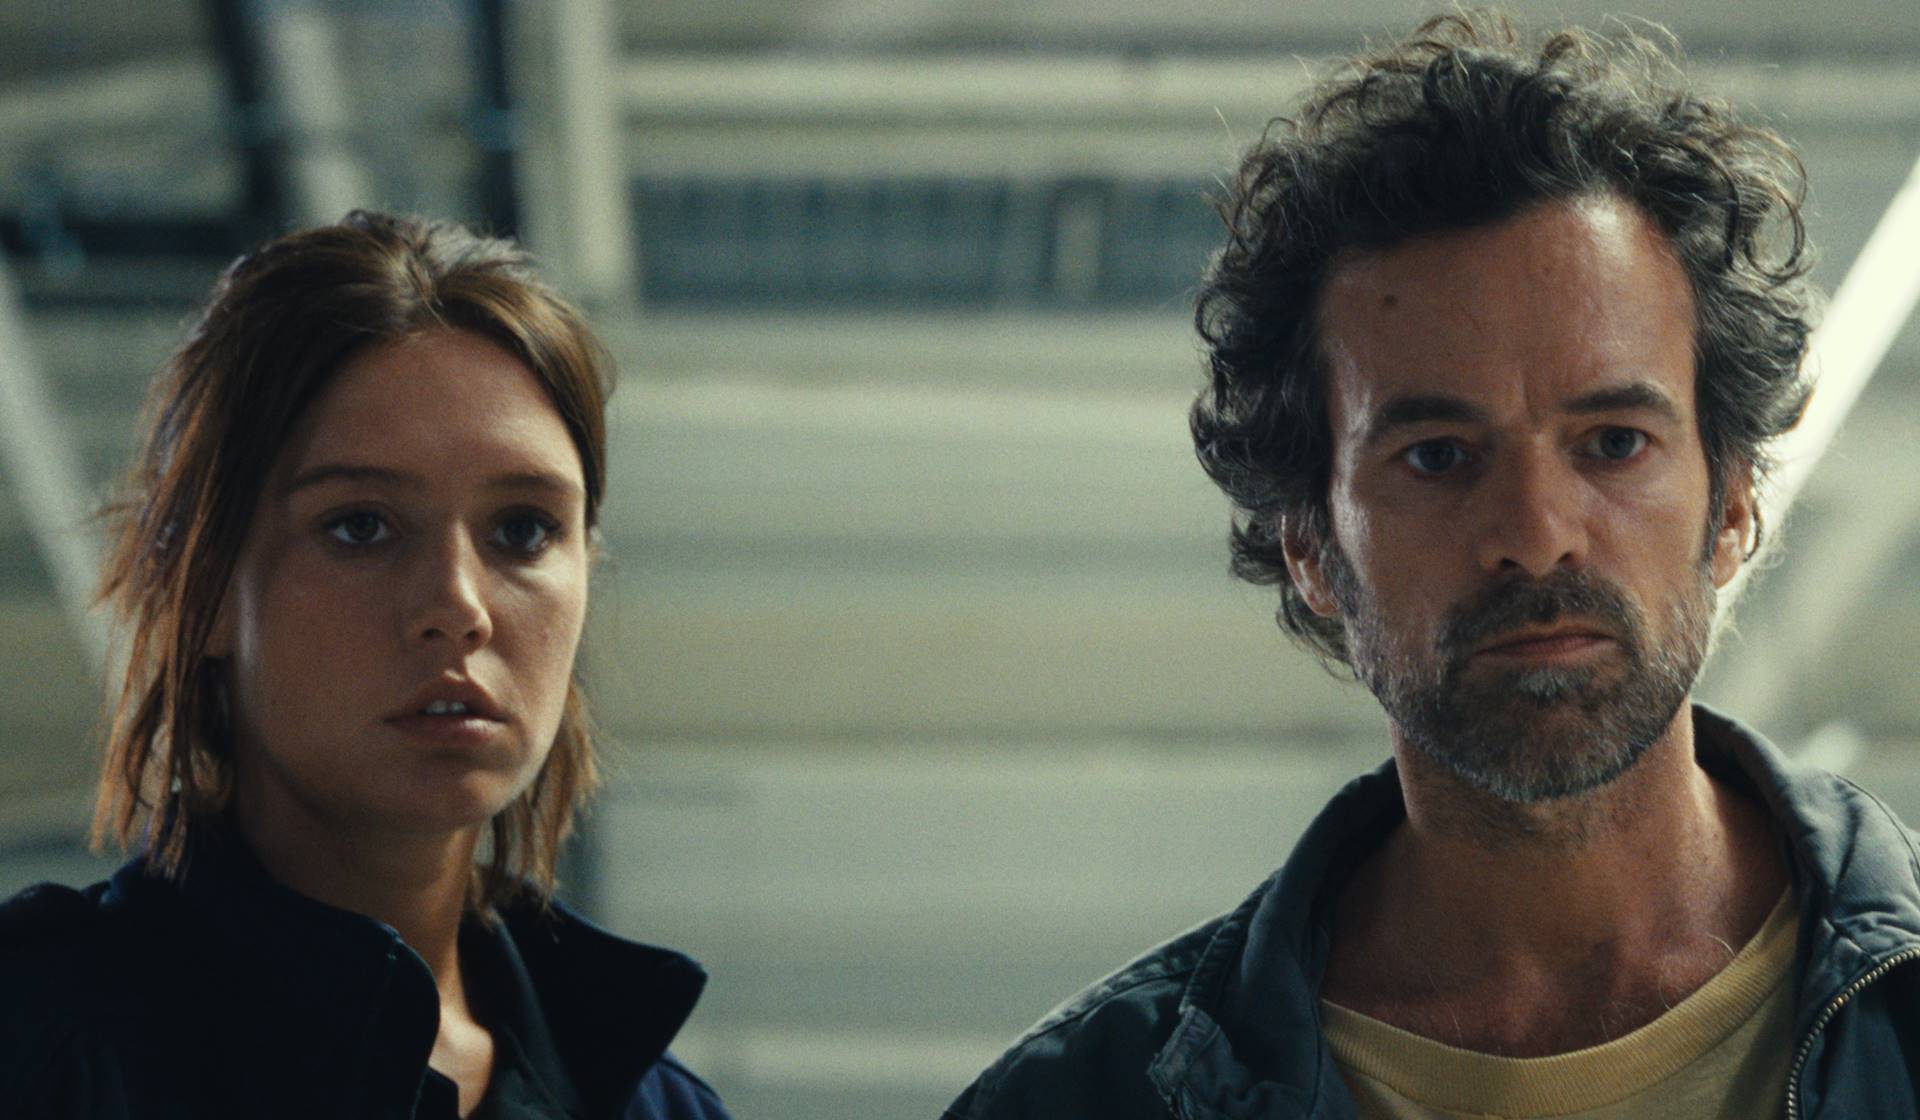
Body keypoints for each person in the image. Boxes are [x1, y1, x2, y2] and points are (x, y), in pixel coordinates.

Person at [947, 11, 1920, 1120]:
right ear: (1309, 543)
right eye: (1439, 456)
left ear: (1734, 498)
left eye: (1614, 442)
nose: (1536, 534)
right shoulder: (1084, 1102)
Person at [0, 212, 729, 1119]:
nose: (458, 607)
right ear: (207, 584)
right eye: (360, 526)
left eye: (523, 530)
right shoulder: (38, 1052)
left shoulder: (655, 1107)